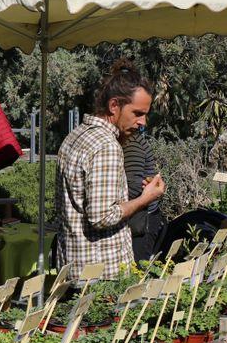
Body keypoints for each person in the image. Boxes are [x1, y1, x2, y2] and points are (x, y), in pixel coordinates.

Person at [55, 59, 166, 279]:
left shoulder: (75, 136)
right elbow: (101, 217)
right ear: (114, 106)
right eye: (137, 113)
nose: (143, 122)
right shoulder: (106, 146)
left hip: (74, 265)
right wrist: (146, 198)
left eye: (145, 114)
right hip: (102, 274)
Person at [124, 129, 165, 262]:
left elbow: (133, 187)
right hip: (143, 218)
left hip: (141, 221)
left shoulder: (131, 144)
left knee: (137, 269)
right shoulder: (131, 142)